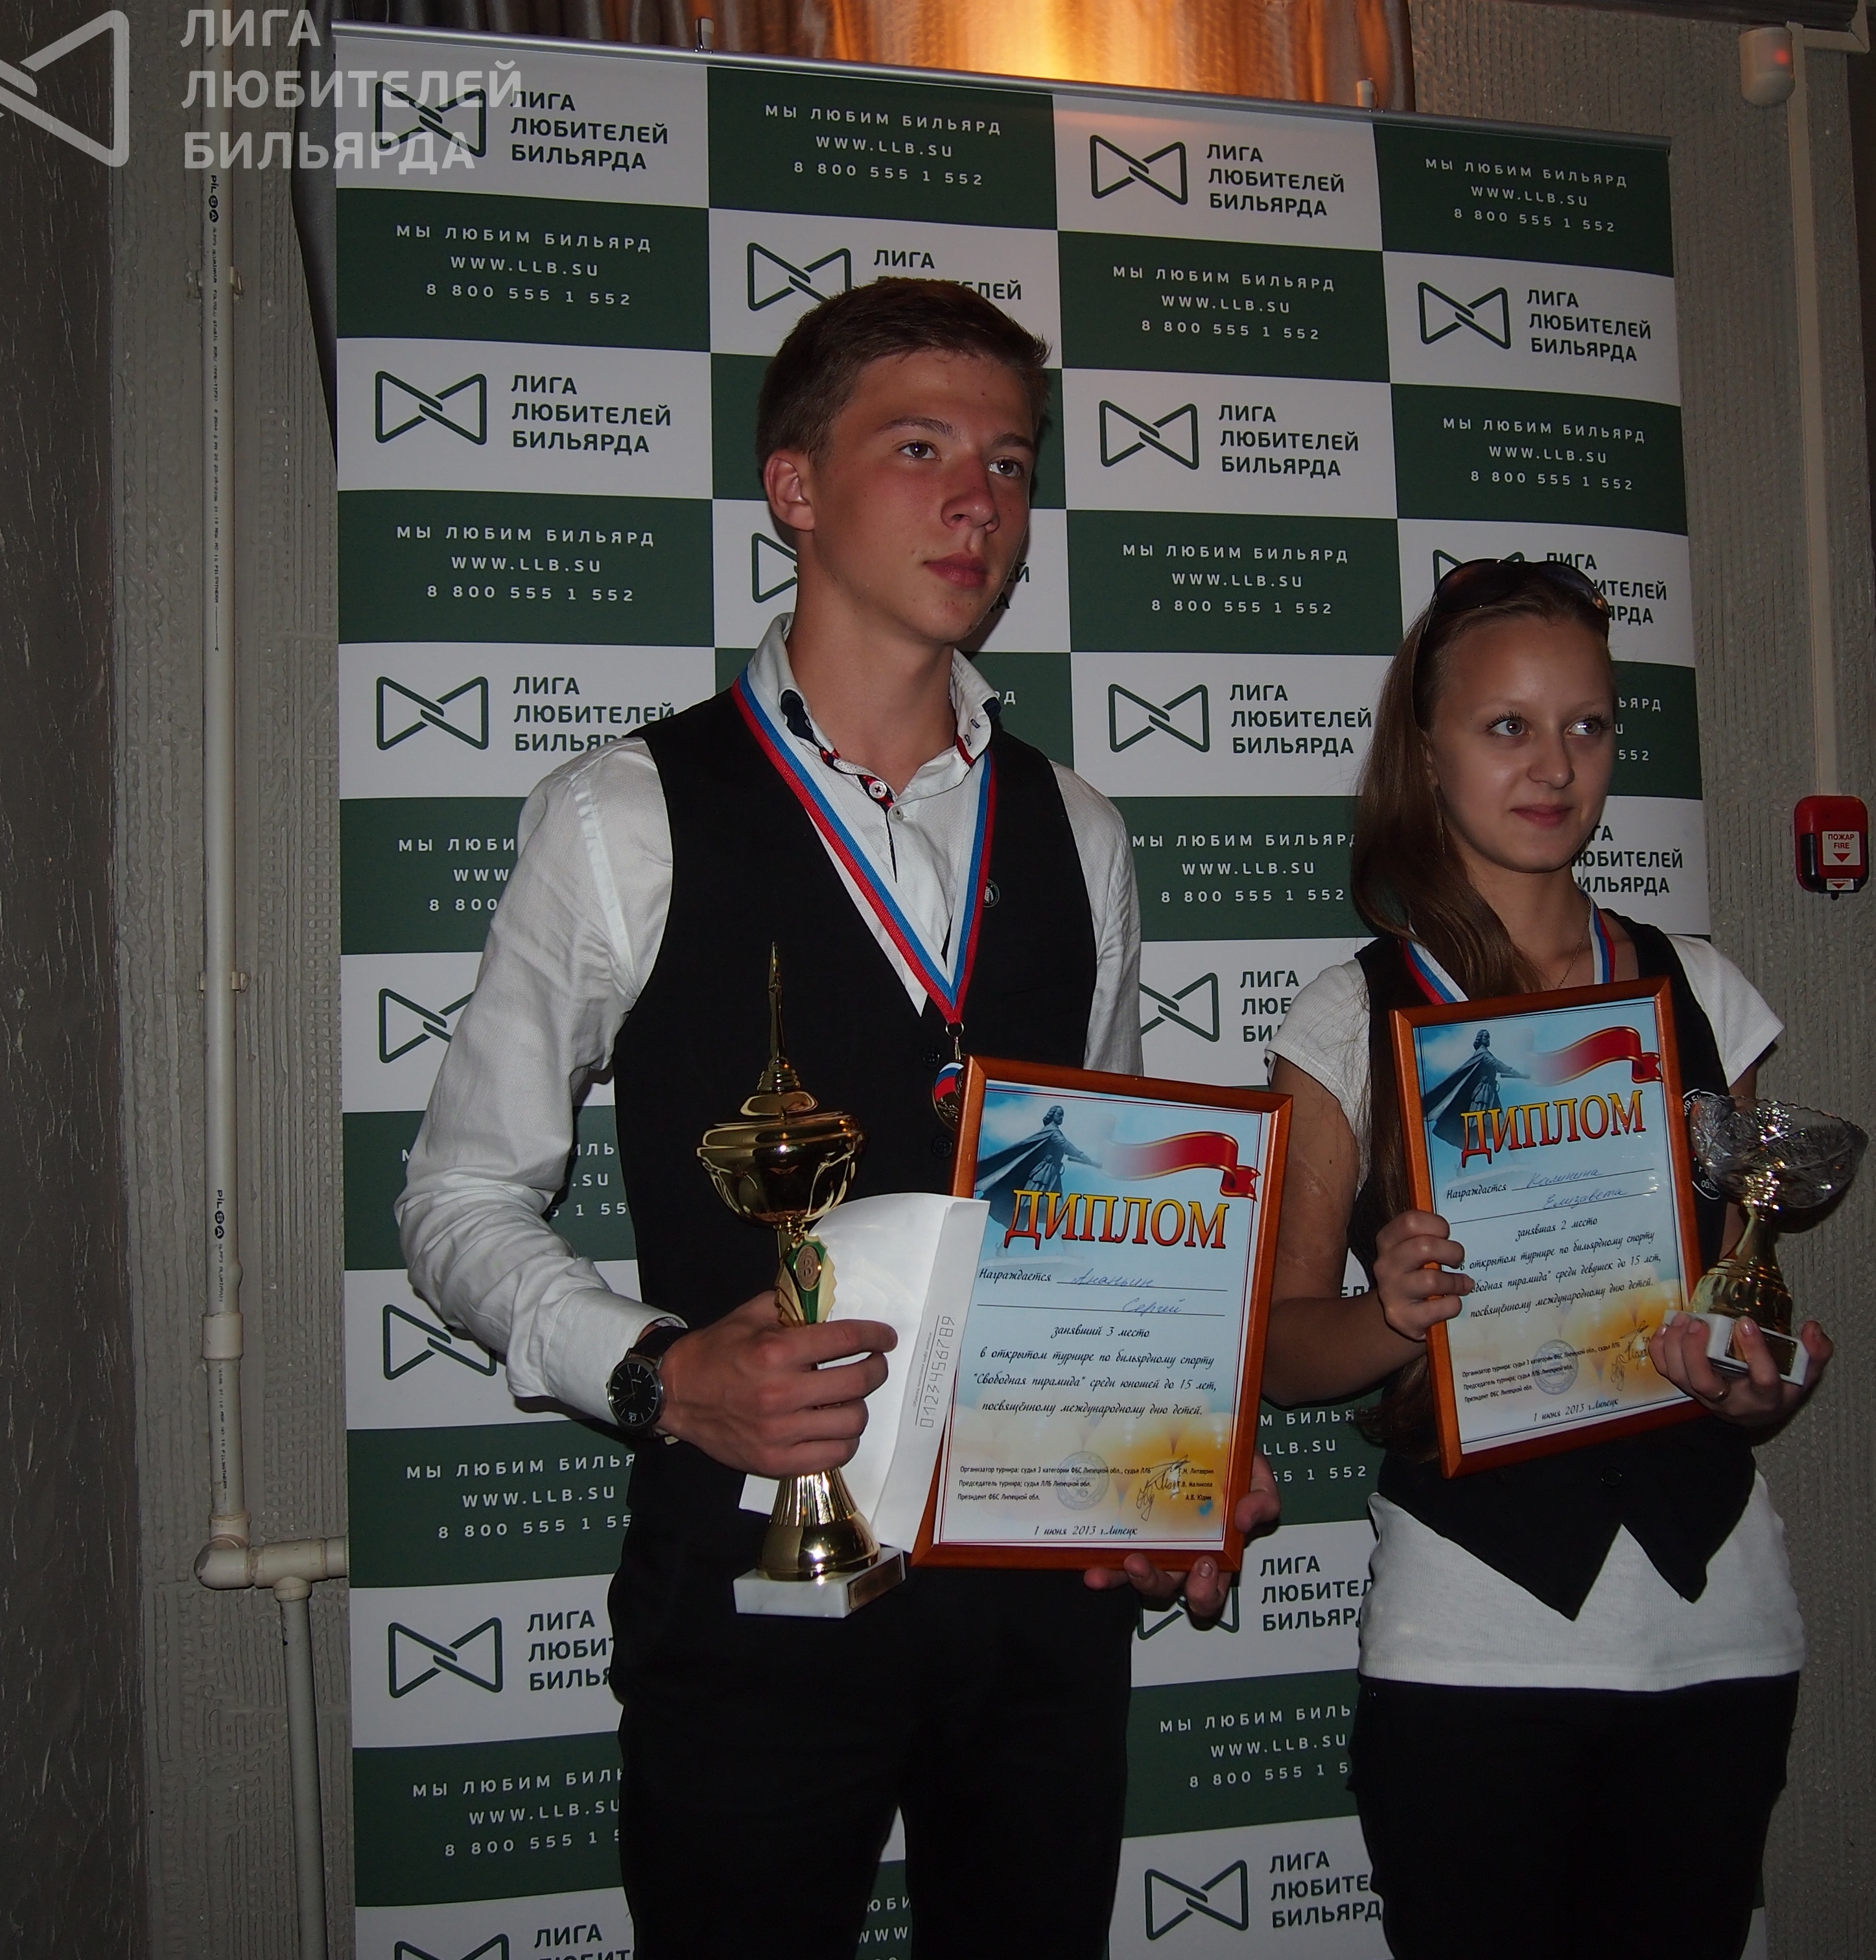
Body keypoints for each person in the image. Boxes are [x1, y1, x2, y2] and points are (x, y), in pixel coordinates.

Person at [399, 279, 1273, 1960]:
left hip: (1040, 1602)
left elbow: (1099, 1212)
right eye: (921, 449)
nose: (979, 503)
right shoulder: (624, 813)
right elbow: (458, 1200)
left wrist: (1171, 1442)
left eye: (1009, 463)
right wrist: (660, 1373)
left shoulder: (1079, 827)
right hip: (749, 1596)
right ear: (794, 487)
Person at [1260, 558, 1833, 1959]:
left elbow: (1746, 1289)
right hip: (1474, 1642)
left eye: (1588, 725)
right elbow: (1275, 1346)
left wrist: (1760, 1375)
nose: (1555, 766)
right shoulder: (1348, 1015)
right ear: (1425, 751)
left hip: (1718, 1627)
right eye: (1507, 726)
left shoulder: (1701, 989)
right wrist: (1391, 1316)